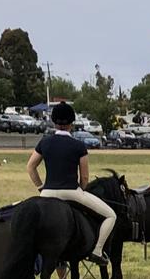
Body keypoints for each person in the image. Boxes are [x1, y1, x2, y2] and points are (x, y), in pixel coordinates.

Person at [24, 102, 115, 266]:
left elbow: (31, 167)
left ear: (54, 122)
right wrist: (82, 189)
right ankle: (97, 251)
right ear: (71, 124)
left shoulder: (45, 142)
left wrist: (40, 187)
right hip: (72, 192)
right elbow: (85, 177)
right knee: (111, 215)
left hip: (47, 193)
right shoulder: (78, 146)